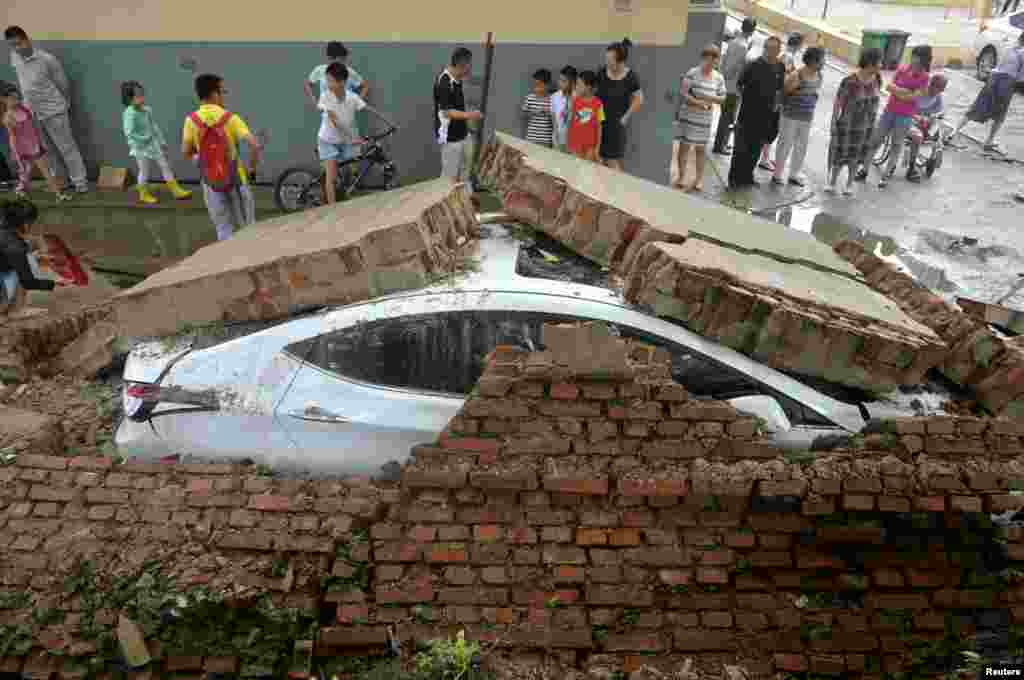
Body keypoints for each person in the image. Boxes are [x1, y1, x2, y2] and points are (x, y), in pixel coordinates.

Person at [4, 26, 89, 194]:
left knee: (66, 147)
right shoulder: (14, 57)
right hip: (31, 113)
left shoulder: (47, 59)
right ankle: (61, 181)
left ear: (27, 40)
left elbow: (62, 84)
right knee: (45, 150)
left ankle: (80, 183)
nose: (17, 48)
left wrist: (63, 104)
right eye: (12, 45)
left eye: (19, 43)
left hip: (54, 110)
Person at [181, 74, 262, 241]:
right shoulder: (230, 118)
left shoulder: (191, 120)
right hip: (236, 180)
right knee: (248, 230)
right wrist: (252, 169)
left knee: (223, 230)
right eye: (222, 92)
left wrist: (205, 160)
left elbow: (186, 152)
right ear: (214, 94)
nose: (224, 96)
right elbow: (254, 145)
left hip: (210, 182)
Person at [318, 62, 395, 204]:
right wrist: (351, 139)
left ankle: (344, 194)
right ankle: (332, 209)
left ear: (342, 82)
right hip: (328, 141)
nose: (328, 84)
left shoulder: (352, 97)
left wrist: (389, 123)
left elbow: (368, 109)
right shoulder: (326, 97)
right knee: (332, 177)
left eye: (331, 81)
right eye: (327, 80)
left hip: (344, 141)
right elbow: (335, 122)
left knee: (351, 167)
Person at [861, 44, 932, 188]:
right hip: (889, 111)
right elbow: (889, 86)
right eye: (914, 56)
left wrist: (899, 91)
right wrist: (905, 91)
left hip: (905, 117)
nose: (914, 59)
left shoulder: (925, 77)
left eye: (918, 57)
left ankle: (886, 176)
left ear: (924, 59)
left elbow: (911, 97)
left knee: (896, 145)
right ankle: (864, 170)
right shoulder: (902, 69)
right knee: (875, 140)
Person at [948, 31, 1024, 154]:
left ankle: (954, 131)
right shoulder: (1022, 53)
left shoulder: (1009, 48)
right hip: (1006, 83)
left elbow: (999, 66)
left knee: (977, 106)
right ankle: (988, 141)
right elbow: (1020, 76)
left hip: (993, 79)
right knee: (1000, 115)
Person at [728, 36, 785, 189]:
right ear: (764, 48)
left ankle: (747, 177)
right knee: (741, 148)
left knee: (756, 149)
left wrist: (776, 106)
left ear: (779, 51)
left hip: (766, 117)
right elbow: (739, 85)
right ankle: (734, 179)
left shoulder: (780, 67)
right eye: (768, 48)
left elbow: (779, 89)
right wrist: (747, 101)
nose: (771, 51)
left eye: (775, 49)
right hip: (747, 115)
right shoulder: (753, 65)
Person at [121, 81, 191, 204]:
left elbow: (154, 126)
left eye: (142, 94)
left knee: (165, 165)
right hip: (140, 147)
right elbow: (129, 133)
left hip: (153, 144)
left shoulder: (147, 110)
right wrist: (144, 138)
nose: (141, 98)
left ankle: (176, 190)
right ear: (129, 99)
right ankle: (143, 193)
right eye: (138, 96)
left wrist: (161, 141)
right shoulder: (129, 113)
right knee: (144, 170)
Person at [826, 48, 883, 196]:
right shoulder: (849, 81)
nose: (881, 65)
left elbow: (876, 104)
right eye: (879, 62)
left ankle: (849, 184)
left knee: (856, 157)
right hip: (847, 125)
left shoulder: (877, 80)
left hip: (866, 127)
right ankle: (832, 182)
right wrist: (833, 122)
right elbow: (838, 102)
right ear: (870, 63)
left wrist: (874, 124)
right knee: (840, 155)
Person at [1, 81, 69, 201]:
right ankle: (20, 189)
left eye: (17, 97)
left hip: (35, 147)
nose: (17, 100)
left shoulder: (24, 109)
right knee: (25, 173)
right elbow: (13, 138)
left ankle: (59, 194)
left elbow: (33, 129)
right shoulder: (8, 117)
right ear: (4, 100)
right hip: (22, 150)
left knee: (46, 171)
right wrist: (17, 155)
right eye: (12, 98)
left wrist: (40, 143)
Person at [673, 45, 725, 193]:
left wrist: (706, 97)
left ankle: (699, 179)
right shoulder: (692, 73)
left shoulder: (719, 77)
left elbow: (722, 98)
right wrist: (698, 102)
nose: (710, 62)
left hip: (704, 119)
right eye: (708, 58)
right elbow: (683, 93)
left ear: (717, 61)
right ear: (703, 58)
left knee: (701, 150)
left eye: (714, 59)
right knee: (684, 146)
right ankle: (681, 177)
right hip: (689, 116)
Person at [773, 46, 824, 187]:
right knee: (785, 144)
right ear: (813, 61)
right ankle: (777, 174)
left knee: (801, 146)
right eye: (821, 60)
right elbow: (784, 93)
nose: (823, 63)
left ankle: (794, 174)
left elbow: (815, 92)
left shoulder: (819, 76)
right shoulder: (797, 75)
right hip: (790, 116)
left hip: (807, 116)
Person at [0, 198, 56, 318]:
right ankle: (16, 310)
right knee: (23, 266)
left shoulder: (5, 231)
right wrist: (53, 283)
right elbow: (28, 282)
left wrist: (36, 255)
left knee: (26, 260)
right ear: (26, 223)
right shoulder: (15, 245)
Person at [434, 47, 483, 182]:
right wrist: (470, 115)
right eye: (469, 64)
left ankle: (463, 193)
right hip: (450, 138)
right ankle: (445, 194)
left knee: (466, 169)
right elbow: (447, 112)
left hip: (463, 134)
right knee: (449, 176)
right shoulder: (444, 82)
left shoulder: (458, 79)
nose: (470, 68)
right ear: (462, 65)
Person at [595, 38, 643, 171]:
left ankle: (617, 184)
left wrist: (625, 118)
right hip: (599, 123)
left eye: (610, 60)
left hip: (616, 126)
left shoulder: (630, 77)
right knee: (598, 158)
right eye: (606, 58)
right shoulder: (602, 73)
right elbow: (593, 94)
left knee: (612, 161)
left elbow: (639, 99)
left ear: (620, 61)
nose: (607, 62)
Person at [713, 18, 757, 155]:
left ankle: (722, 143)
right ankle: (720, 145)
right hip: (733, 87)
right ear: (752, 31)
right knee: (727, 117)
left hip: (726, 84)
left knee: (727, 116)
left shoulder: (734, 42)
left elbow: (724, 61)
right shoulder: (743, 46)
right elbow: (734, 66)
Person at [904, 73, 947, 183]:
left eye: (940, 91)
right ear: (931, 85)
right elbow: (906, 109)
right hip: (910, 120)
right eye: (937, 89)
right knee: (918, 136)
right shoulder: (920, 92)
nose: (938, 93)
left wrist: (935, 115)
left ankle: (933, 158)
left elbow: (941, 111)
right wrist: (917, 117)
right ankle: (911, 168)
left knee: (937, 131)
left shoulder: (938, 96)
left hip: (925, 122)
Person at [305, 41, 370, 106]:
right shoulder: (320, 70)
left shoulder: (349, 72)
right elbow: (307, 83)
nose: (344, 60)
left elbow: (365, 86)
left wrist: (356, 103)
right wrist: (314, 99)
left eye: (344, 58)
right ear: (330, 58)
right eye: (341, 58)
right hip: (326, 110)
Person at [567, 70, 605, 162]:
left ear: (588, 87)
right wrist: (568, 143)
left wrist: (597, 148)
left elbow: (600, 127)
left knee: (587, 169)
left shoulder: (599, 104)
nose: (576, 87)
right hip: (575, 145)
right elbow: (570, 121)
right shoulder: (574, 101)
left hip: (590, 147)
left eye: (579, 85)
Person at [522, 69, 554, 148]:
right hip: (531, 138)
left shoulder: (552, 99)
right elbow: (523, 115)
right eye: (535, 84)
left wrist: (550, 113)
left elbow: (556, 119)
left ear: (547, 85)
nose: (537, 87)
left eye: (539, 85)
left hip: (546, 139)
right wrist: (536, 112)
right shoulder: (529, 98)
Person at [551, 66, 577, 151]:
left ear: (572, 82)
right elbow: (553, 117)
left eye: (564, 81)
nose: (560, 83)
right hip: (558, 139)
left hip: (575, 140)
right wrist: (556, 133)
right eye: (560, 80)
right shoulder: (554, 96)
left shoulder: (578, 97)